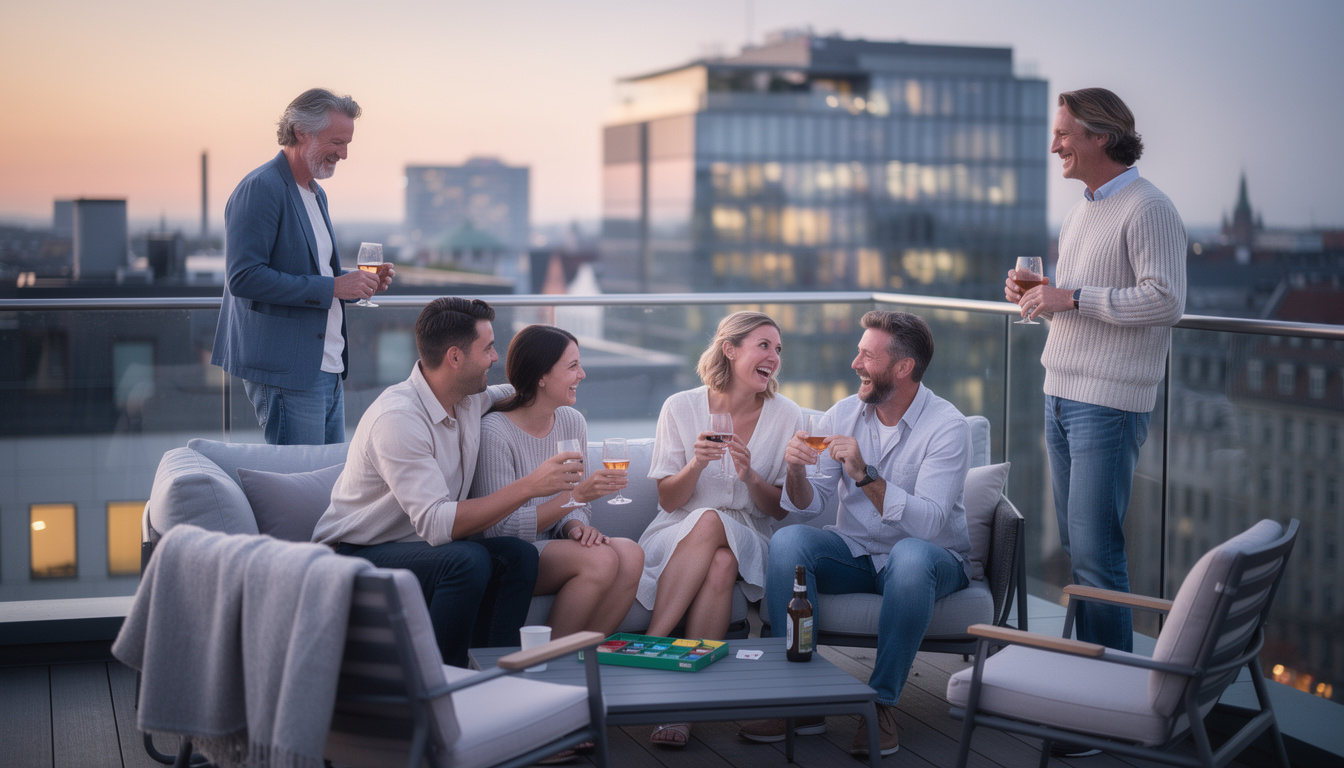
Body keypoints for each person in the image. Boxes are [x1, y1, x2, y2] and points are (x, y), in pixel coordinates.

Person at [739, 310, 972, 758]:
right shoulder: (843, 413)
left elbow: (928, 525)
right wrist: (794, 469)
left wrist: (865, 476)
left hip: (934, 559)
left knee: (911, 556)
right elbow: (808, 505)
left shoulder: (947, 427)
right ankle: (800, 700)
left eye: (867, 355)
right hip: (858, 552)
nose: (855, 363)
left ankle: (881, 703)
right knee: (789, 542)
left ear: (903, 368)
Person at [1006, 88, 1186, 653]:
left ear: (1100, 137)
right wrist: (1036, 298)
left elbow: (1165, 301)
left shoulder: (1149, 208)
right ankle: (1088, 674)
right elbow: (1073, 304)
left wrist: (1072, 297)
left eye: (1064, 133)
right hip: (1059, 393)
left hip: (1108, 403)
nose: (1054, 143)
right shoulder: (1081, 210)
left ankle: (1108, 689)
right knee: (1079, 550)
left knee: (1097, 553)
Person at [311, 297, 579, 668]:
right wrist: (532, 486)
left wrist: (560, 384)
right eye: (487, 349)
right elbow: (437, 525)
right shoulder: (399, 419)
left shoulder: (468, 400)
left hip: (419, 547)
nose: (495, 358)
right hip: (357, 552)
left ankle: (493, 676)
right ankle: (438, 684)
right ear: (455, 357)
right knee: (465, 560)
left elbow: (524, 392)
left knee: (517, 556)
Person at [638, 311, 804, 748]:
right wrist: (696, 464)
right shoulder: (680, 407)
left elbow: (780, 512)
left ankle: (650, 648)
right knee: (719, 560)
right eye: (763, 346)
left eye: (779, 349)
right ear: (730, 350)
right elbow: (669, 501)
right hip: (676, 531)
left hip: (752, 532)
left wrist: (750, 476)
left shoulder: (788, 414)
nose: (774, 357)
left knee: (723, 535)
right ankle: (686, 705)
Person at [212, 87, 393, 445]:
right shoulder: (261, 188)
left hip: (325, 367)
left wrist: (355, 284)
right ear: (301, 132)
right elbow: (244, 278)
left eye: (348, 144)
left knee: (325, 486)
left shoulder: (314, 192)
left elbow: (314, 274)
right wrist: (335, 288)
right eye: (337, 142)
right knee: (297, 487)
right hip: (287, 372)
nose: (343, 154)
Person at [470, 324, 644, 637]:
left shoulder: (570, 420)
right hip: (509, 555)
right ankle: (548, 659)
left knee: (631, 554)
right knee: (600, 560)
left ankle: (585, 656)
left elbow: (574, 501)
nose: (583, 375)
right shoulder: (495, 431)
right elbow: (500, 529)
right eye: (573, 366)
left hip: (552, 545)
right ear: (541, 376)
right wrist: (578, 496)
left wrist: (576, 528)